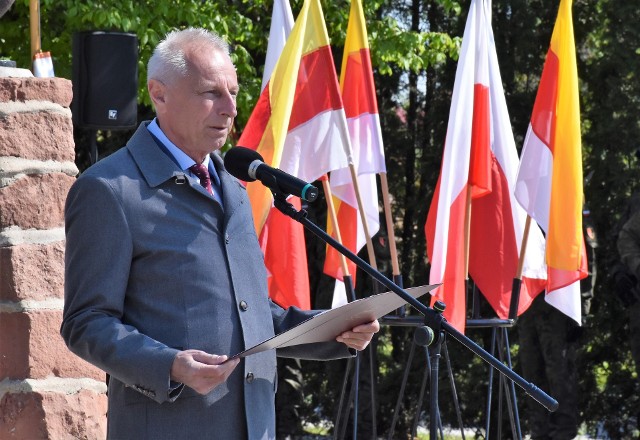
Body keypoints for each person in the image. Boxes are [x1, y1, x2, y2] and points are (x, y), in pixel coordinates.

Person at [60, 27, 379, 440]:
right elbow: (86, 323)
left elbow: (254, 317)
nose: (230, 108)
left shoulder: (233, 188)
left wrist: (335, 330)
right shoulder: (110, 188)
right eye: (211, 93)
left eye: (233, 91)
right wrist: (169, 364)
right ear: (159, 93)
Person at [517, 207, 597, 440]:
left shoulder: (566, 197)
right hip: (531, 302)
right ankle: (539, 433)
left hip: (559, 305)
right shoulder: (527, 197)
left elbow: (587, 255)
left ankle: (563, 434)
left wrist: (582, 308)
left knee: (559, 375)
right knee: (531, 374)